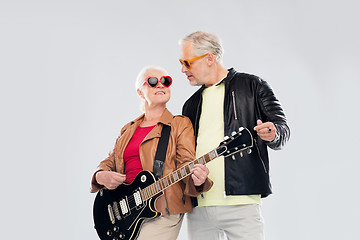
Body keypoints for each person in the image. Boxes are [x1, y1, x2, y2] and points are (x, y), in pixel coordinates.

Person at [179, 31, 290, 240]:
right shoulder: (190, 104)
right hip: (199, 207)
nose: (183, 69)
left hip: (241, 205)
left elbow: (282, 127)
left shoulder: (252, 86)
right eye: (181, 62)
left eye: (187, 62)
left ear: (209, 58)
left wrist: (273, 133)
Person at [90, 65, 212, 240]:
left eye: (166, 81)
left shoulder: (179, 124)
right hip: (124, 211)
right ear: (140, 92)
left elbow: (186, 162)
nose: (161, 85)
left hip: (161, 208)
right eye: (153, 82)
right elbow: (110, 161)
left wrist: (197, 179)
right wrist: (99, 175)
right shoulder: (128, 129)